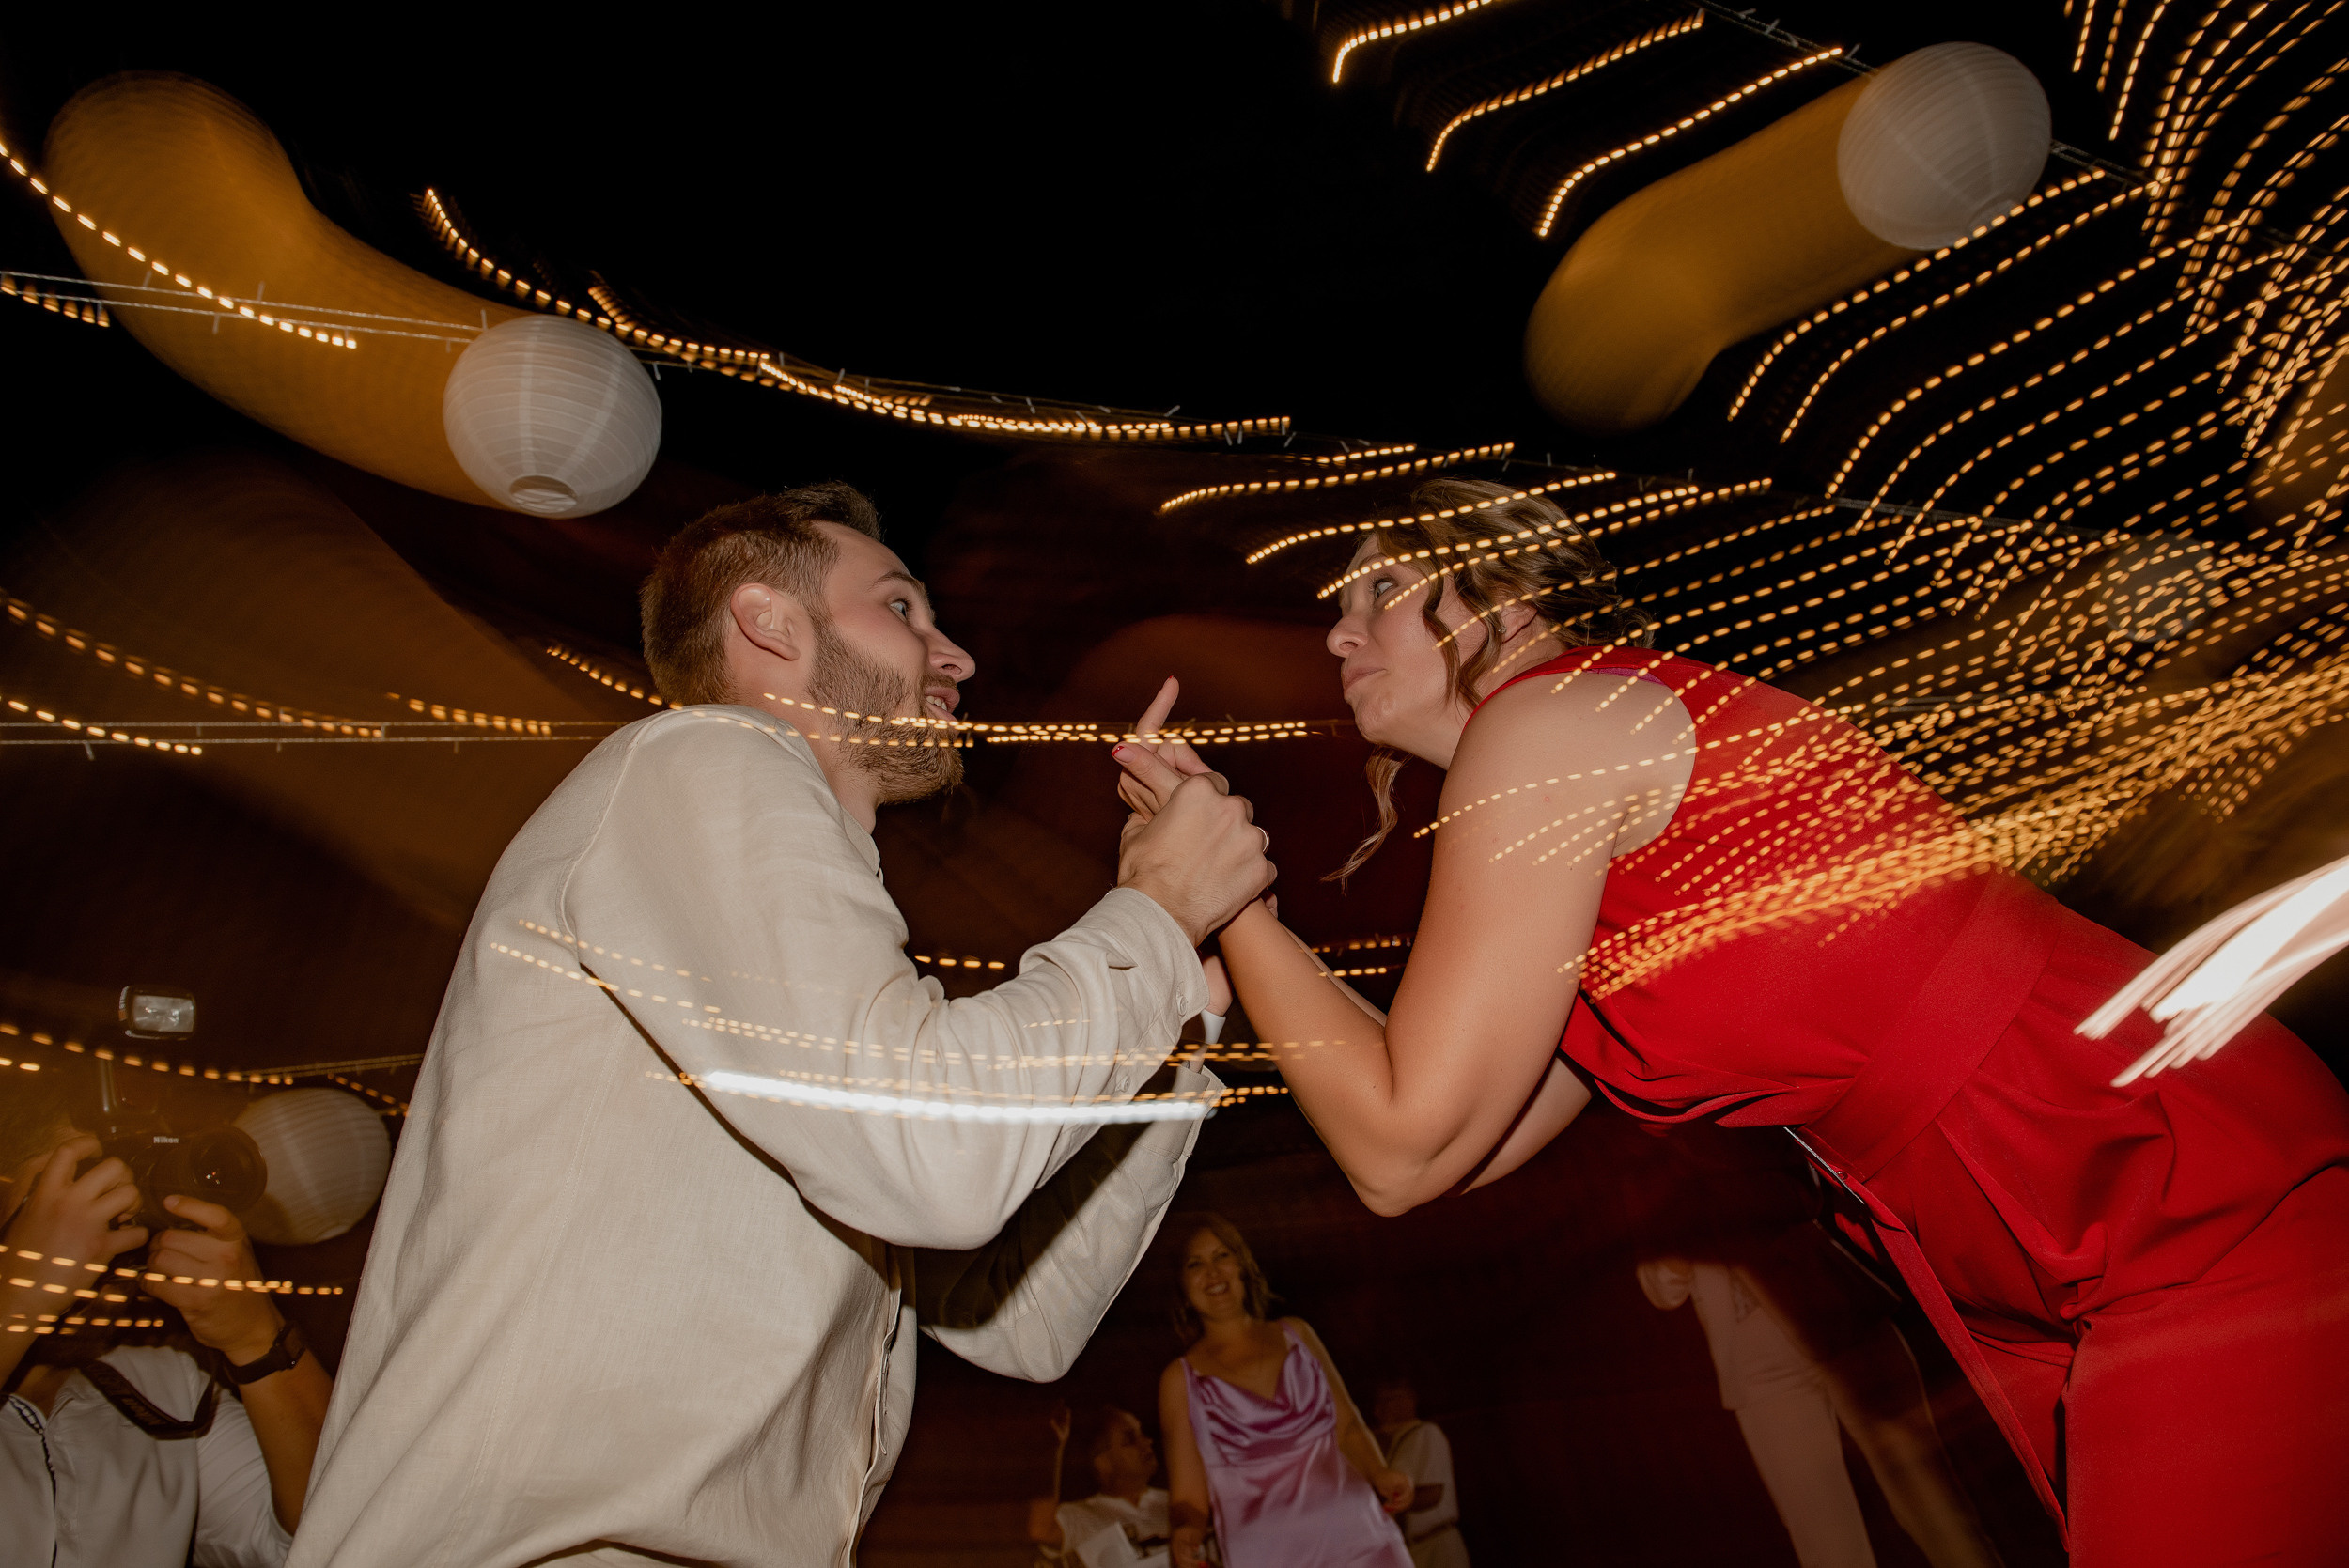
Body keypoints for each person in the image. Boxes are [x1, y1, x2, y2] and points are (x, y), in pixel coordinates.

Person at [1112, 477, 2349, 1568]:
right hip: (2041, 1220)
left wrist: (1231, 903)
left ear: (1512, 587)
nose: (1337, 626)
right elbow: (1445, 1152)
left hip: (2149, 1181)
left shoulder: (1550, 725)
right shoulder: (1578, 802)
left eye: (1381, 585)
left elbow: (1401, 1141)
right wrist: (1238, 912)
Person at [292, 484, 1276, 1568]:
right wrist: (1153, 909)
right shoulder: (706, 758)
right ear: (769, 624)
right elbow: (935, 1154)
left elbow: (1020, 1321)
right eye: (903, 608)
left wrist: (1183, 1014)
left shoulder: (784, 971)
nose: (956, 658)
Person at [1, 1076, 334, 1566]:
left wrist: (258, 1337)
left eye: (128, 1195)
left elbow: (336, 1530)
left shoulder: (163, 1392)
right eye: (84, 1190)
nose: (113, 1226)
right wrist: (19, 1295)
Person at [1158, 1215, 1411, 1568]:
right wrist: (1187, 1529)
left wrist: (1381, 1474)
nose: (1213, 1272)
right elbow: (1187, 1495)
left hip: (1362, 1540)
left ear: (1243, 1265)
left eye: (1222, 1256)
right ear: (1182, 1284)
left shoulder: (1298, 1334)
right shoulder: (1179, 1379)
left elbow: (1348, 1427)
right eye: (1195, 1264)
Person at [1031, 1404, 1174, 1567]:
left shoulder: (1177, 1506)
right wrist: (1052, 1448)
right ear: (1103, 1463)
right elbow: (1041, 1530)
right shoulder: (1083, 1517)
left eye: (1142, 1434)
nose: (1147, 1442)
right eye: (1130, 1439)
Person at [1368, 1374, 1468, 1568]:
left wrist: (1381, 1505)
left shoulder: (1427, 1433)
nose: (1395, 1406)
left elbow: (1432, 1494)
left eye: (1398, 1398)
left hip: (1437, 1544)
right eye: (1386, 1400)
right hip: (1412, 1548)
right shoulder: (1391, 1445)